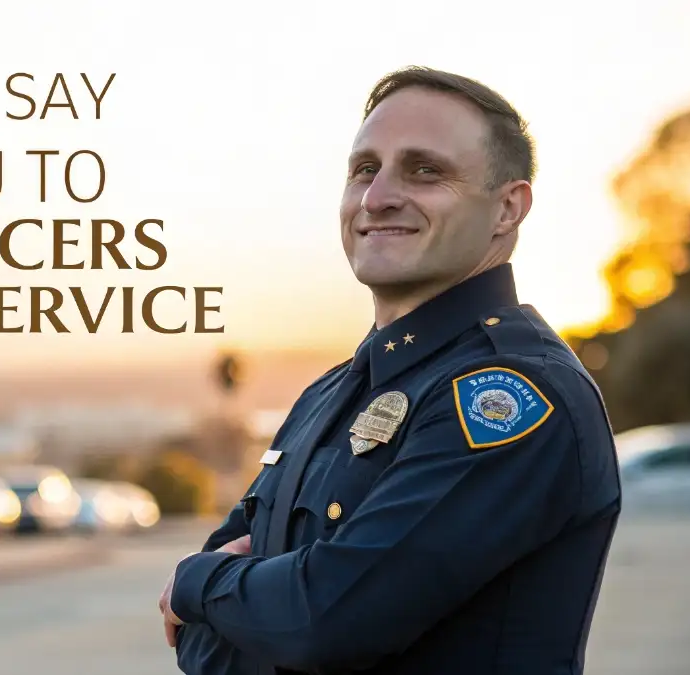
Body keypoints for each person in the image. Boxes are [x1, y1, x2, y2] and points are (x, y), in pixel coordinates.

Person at [159, 66, 622, 675]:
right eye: (364, 170)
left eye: (425, 170)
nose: (378, 198)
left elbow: (324, 622)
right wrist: (244, 601)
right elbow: (200, 646)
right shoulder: (330, 393)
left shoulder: (511, 396)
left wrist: (200, 582)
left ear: (508, 208)